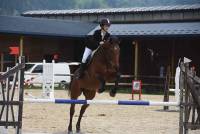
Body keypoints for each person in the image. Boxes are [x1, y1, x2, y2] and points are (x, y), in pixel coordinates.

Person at [78, 18, 111, 92]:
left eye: (108, 26)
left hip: (99, 50)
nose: (107, 27)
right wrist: (99, 43)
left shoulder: (108, 35)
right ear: (102, 26)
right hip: (91, 47)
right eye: (106, 26)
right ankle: (80, 73)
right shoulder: (96, 32)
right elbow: (93, 42)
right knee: (84, 58)